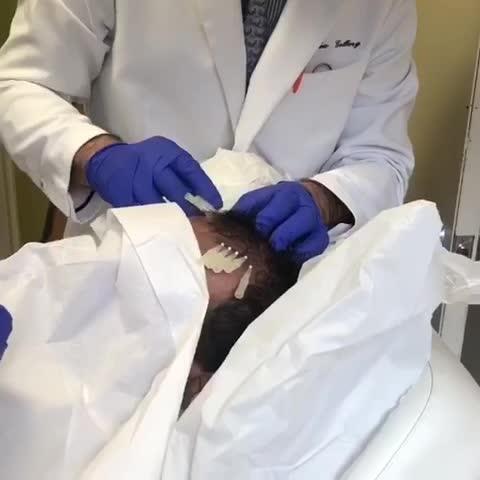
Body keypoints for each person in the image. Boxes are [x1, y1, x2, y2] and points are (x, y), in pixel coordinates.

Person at [0, 0, 418, 264]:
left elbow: (381, 156)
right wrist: (96, 154)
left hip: (284, 282)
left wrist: (324, 200)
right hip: (123, 255)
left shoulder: (381, 7)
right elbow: (21, 83)